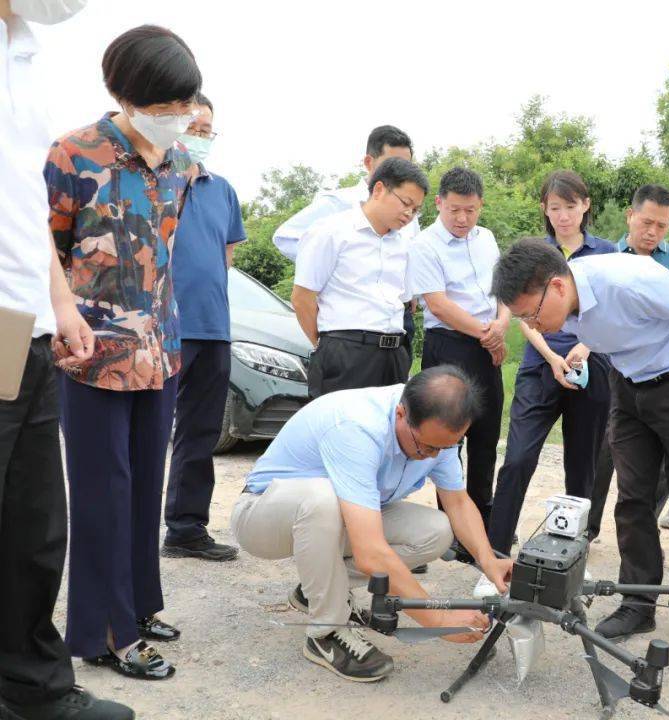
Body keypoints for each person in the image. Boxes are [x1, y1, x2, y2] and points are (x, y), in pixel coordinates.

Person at [43, 24, 203, 682]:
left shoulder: (184, 165)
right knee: (103, 492)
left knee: (143, 486)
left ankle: (137, 605)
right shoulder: (74, 155)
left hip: (159, 351)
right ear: (125, 94)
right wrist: (63, 313)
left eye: (183, 105)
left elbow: (165, 258)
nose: (175, 119)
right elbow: (43, 249)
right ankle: (104, 632)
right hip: (90, 354)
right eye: (164, 107)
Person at [0, 1, 134, 717]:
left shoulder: (19, 56)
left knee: (32, 525)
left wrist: (61, 303)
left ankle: (32, 690)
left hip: (17, 320)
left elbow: (19, 204)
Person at [493, 238, 669, 656]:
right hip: (628, 387)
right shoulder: (565, 306)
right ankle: (638, 601)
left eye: (532, 314)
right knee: (632, 499)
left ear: (557, 287)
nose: (533, 325)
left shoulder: (632, 280)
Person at [230, 366, 514, 682]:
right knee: (321, 498)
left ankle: (318, 589)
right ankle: (326, 631)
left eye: (443, 448)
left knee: (436, 531)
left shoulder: (437, 430)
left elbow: (458, 503)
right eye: (426, 447)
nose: (431, 456)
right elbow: (370, 554)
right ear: (402, 414)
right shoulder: (356, 426)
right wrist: (438, 619)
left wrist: (488, 559)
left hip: (329, 522)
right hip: (262, 518)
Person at [486, 171, 615, 574]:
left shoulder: (607, 252)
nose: (563, 216)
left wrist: (585, 346)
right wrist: (552, 357)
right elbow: (522, 315)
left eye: (570, 206)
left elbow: (614, 310)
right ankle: (496, 553)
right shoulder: (531, 254)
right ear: (544, 208)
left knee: (582, 466)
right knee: (518, 458)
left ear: (586, 205)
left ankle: (573, 555)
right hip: (540, 367)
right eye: (555, 207)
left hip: (591, 367)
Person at [590, 184, 669, 536]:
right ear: (630, 216)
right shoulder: (608, 258)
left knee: (661, 464)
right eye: (646, 222)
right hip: (617, 371)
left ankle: (646, 525)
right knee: (605, 450)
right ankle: (589, 527)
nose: (652, 232)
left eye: (662, 225)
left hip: (668, 380)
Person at [161, 92, 246, 562]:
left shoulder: (223, 190)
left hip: (212, 329)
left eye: (206, 129)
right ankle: (128, 527)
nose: (199, 136)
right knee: (148, 433)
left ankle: (186, 528)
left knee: (199, 432)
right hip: (161, 328)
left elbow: (225, 258)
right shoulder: (154, 182)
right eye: (191, 127)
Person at [407, 167, 507, 529]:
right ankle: (450, 528)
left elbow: (503, 290)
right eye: (455, 210)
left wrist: (502, 325)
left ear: (480, 205)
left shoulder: (487, 238)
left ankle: (482, 518)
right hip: (449, 345)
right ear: (439, 204)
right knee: (448, 436)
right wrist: (488, 333)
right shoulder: (424, 245)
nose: (463, 218)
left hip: (487, 343)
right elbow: (438, 304)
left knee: (486, 434)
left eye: (471, 210)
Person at [273, 125, 421, 355]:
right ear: (369, 162)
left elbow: (411, 254)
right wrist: (336, 272)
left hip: (396, 322)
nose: (400, 172)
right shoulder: (337, 203)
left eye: (406, 166)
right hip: (350, 330)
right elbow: (286, 237)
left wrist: (410, 292)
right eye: (392, 165)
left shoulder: (408, 207)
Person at [291, 157, 428, 397]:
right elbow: (302, 298)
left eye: (415, 210)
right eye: (405, 203)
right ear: (378, 189)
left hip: (394, 354)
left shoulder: (406, 242)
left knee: (389, 431)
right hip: (346, 353)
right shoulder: (331, 231)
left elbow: (405, 299)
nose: (409, 214)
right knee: (341, 430)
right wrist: (327, 347)